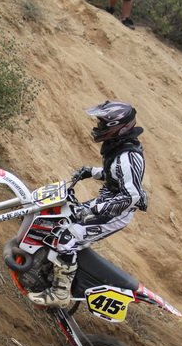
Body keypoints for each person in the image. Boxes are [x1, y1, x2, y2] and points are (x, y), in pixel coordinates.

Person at [28, 100, 148, 308]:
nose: (98, 127)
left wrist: (97, 209)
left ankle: (60, 293)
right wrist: (92, 172)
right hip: (106, 203)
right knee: (62, 219)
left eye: (103, 124)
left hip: (116, 213)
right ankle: (49, 270)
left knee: (67, 238)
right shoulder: (119, 148)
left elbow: (132, 197)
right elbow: (116, 175)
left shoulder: (128, 156)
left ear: (118, 127)